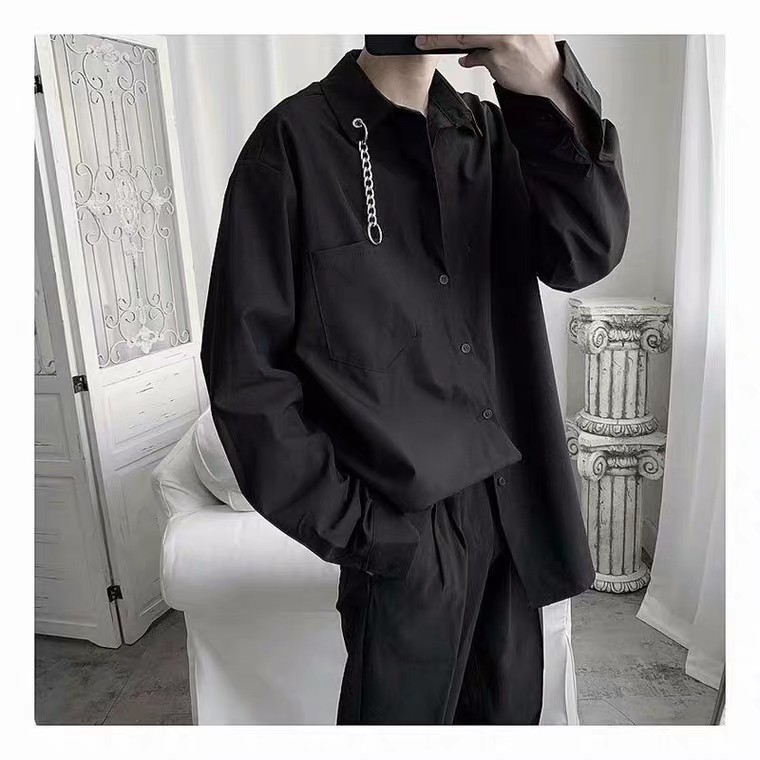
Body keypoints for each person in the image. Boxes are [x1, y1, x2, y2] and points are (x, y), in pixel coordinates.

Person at [200, 34, 630, 725]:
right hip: (403, 532)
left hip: (514, 514)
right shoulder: (292, 147)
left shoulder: (494, 136)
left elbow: (587, 250)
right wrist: (369, 533)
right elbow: (247, 380)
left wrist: (548, 84)